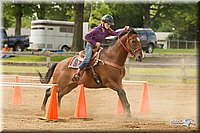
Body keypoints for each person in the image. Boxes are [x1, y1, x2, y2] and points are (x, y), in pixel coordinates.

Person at [73, 14, 129, 81]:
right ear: (103, 23)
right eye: (108, 24)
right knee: (87, 59)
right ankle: (78, 72)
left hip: (99, 47)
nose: (109, 25)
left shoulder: (107, 30)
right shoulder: (96, 29)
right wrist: (95, 43)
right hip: (90, 46)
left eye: (110, 24)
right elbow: (86, 37)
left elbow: (115, 33)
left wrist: (123, 30)